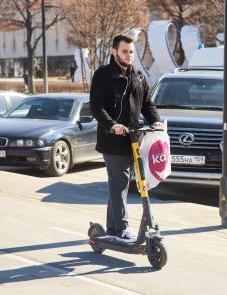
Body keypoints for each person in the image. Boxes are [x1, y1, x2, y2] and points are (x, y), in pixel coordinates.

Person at [90, 35, 163, 242]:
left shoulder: (138, 76)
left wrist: (155, 121)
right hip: (112, 140)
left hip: (133, 139)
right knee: (120, 183)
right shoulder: (103, 75)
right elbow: (97, 107)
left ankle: (113, 229)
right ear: (115, 52)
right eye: (125, 51)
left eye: (131, 52)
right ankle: (121, 228)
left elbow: (148, 104)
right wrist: (112, 125)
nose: (129, 56)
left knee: (118, 185)